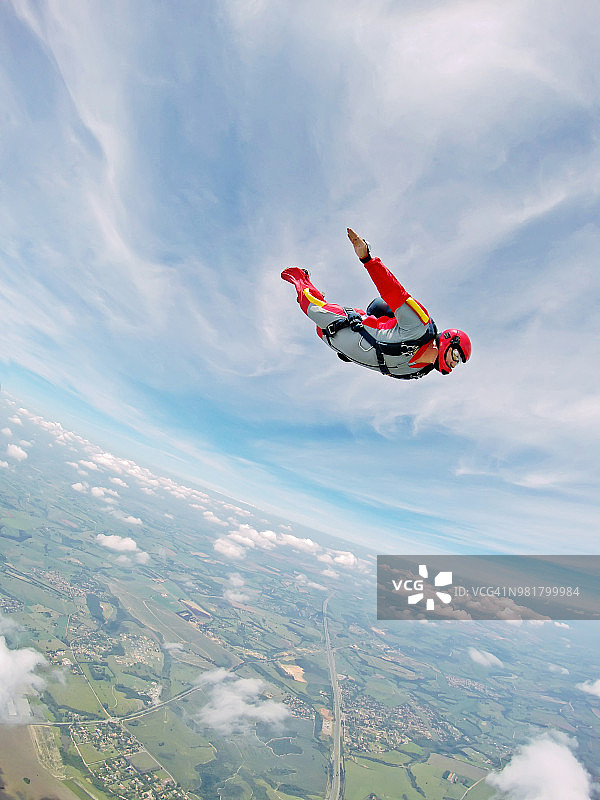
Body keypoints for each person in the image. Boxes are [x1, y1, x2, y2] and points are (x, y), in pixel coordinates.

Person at [281, 228, 471, 380]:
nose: (455, 364)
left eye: (458, 362)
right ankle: (301, 277)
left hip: (340, 344)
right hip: (352, 326)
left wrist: (349, 355)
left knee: (319, 329)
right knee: (311, 308)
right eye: (456, 356)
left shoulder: (416, 373)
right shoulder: (419, 326)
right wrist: (367, 259)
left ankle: (318, 297)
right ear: (447, 341)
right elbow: (393, 291)